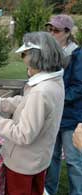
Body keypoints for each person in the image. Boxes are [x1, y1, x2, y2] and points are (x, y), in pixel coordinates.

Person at [0, 31, 65, 195]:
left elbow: (23, 134)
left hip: (23, 164)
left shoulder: (40, 91)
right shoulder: (52, 82)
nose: (24, 63)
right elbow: (26, 103)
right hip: (37, 159)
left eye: (24, 56)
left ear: (36, 58)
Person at [44, 14, 82, 195]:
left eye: (56, 30)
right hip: (53, 115)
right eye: (49, 29)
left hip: (70, 116)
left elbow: (79, 86)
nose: (51, 33)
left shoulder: (77, 54)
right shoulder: (49, 54)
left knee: (73, 160)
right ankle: (50, 191)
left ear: (67, 33)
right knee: (52, 157)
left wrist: (58, 97)